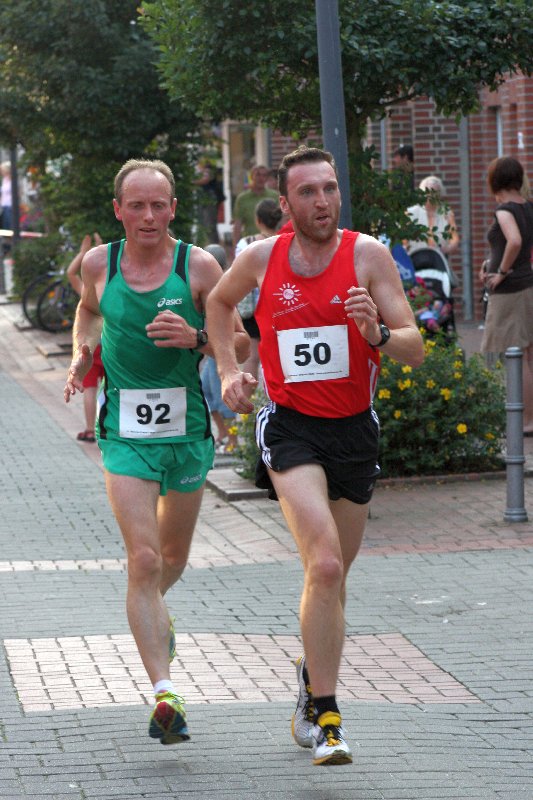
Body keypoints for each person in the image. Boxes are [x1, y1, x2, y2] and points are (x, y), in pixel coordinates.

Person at [206, 145, 424, 766]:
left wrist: (377, 333)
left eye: (329, 189)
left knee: (334, 578)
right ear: (285, 203)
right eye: (308, 192)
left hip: (354, 429)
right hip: (289, 425)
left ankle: (311, 674)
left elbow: (413, 348)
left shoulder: (367, 256)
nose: (322, 201)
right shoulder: (262, 258)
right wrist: (229, 369)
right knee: (324, 565)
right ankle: (327, 718)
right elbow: (218, 303)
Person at [63, 158, 249, 745]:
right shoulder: (99, 264)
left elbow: (241, 341)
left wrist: (198, 338)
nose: (148, 215)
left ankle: (152, 616)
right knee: (143, 560)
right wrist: (81, 351)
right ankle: (165, 692)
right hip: (124, 434)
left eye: (158, 205)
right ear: (118, 210)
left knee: (171, 558)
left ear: (173, 209)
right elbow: (88, 311)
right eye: (137, 205)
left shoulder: (200, 267)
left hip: (187, 435)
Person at [480, 156, 533, 435]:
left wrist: (500, 272)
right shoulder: (528, 206)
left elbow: (514, 241)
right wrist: (490, 264)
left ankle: (525, 421)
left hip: (510, 291)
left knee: (515, 355)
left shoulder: (504, 210)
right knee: (528, 354)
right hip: (527, 285)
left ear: (495, 180)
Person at [235, 198, 283, 381]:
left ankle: (250, 396)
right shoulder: (285, 242)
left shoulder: (245, 243)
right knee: (279, 351)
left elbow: (237, 273)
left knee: (252, 355)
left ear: (258, 220)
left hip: (252, 307)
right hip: (278, 304)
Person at [200, 244, 238, 452]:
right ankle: (223, 434)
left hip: (220, 347)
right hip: (209, 347)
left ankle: (233, 441)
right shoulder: (204, 280)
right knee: (206, 390)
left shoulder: (224, 283)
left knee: (222, 395)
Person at [66, 232, 104, 442]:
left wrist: (83, 253)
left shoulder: (86, 291)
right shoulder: (111, 290)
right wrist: (100, 251)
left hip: (90, 346)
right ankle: (111, 427)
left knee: (89, 387)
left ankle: (90, 429)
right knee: (112, 387)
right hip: (111, 344)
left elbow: (71, 273)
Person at [406, 174, 460, 265]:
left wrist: (447, 248)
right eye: (428, 192)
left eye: (435, 192)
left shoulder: (447, 213)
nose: (431, 196)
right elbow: (402, 240)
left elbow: (454, 239)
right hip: (414, 261)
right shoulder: (411, 213)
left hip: (439, 261)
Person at [231, 165, 278, 250]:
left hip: (271, 244)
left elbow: (281, 221)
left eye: (264, 175)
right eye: (258, 174)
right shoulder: (242, 198)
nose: (261, 178)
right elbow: (237, 225)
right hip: (250, 244)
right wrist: (236, 248)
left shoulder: (274, 196)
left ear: (267, 178)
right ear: (252, 176)